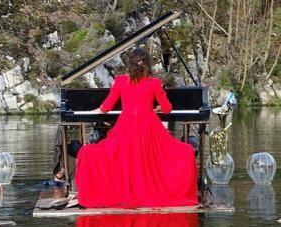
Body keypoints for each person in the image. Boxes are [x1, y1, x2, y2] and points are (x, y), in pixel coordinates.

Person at [75, 48, 198, 208]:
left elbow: (105, 107)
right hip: (149, 127)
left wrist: (88, 112)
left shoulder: (120, 81)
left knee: (91, 153)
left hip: (125, 126)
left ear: (129, 63)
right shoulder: (154, 83)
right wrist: (157, 109)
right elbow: (167, 108)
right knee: (184, 152)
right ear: (148, 64)